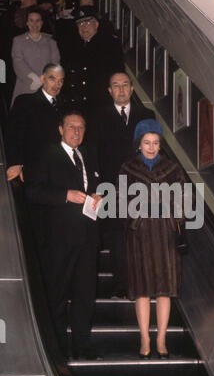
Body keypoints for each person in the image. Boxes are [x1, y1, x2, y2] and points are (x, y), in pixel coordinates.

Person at [26, 110, 101, 359]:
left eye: (81, 127)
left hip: (88, 238)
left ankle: (82, 346)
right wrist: (64, 195)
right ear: (61, 129)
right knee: (56, 294)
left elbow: (99, 184)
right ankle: (56, 350)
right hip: (58, 239)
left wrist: (101, 195)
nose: (76, 131)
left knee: (85, 293)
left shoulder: (88, 155)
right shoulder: (47, 154)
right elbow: (33, 192)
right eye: (71, 127)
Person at [118, 119, 186, 358]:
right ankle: (145, 338)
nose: (151, 147)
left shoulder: (173, 168)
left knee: (165, 290)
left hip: (166, 235)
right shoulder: (127, 168)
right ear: (139, 144)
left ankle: (162, 339)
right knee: (143, 290)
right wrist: (139, 216)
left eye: (155, 142)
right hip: (140, 236)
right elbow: (121, 202)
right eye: (146, 142)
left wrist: (167, 212)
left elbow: (184, 201)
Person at [90, 72, 155, 296]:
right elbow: (94, 153)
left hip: (141, 187)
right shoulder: (99, 117)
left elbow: (155, 152)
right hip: (112, 187)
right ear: (109, 91)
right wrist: (98, 188)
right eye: (115, 85)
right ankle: (122, 284)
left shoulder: (147, 116)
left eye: (125, 85)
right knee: (117, 238)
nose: (120, 89)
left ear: (132, 89)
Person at [5, 63, 65, 183]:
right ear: (42, 79)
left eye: (61, 81)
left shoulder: (66, 106)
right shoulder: (25, 101)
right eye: (52, 79)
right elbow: (13, 134)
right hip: (34, 169)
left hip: (60, 169)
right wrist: (16, 162)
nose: (57, 85)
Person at [61, 5, 124, 115]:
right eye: (80, 23)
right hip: (76, 105)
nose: (83, 26)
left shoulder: (109, 45)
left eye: (87, 22)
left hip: (100, 105)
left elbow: (117, 75)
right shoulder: (72, 47)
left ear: (96, 24)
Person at [11, 6, 60, 104]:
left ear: (42, 23)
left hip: (46, 86)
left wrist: (46, 79)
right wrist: (33, 78)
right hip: (25, 86)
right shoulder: (18, 40)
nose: (34, 24)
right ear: (27, 23)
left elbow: (55, 62)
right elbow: (18, 61)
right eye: (31, 20)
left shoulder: (51, 41)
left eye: (37, 21)